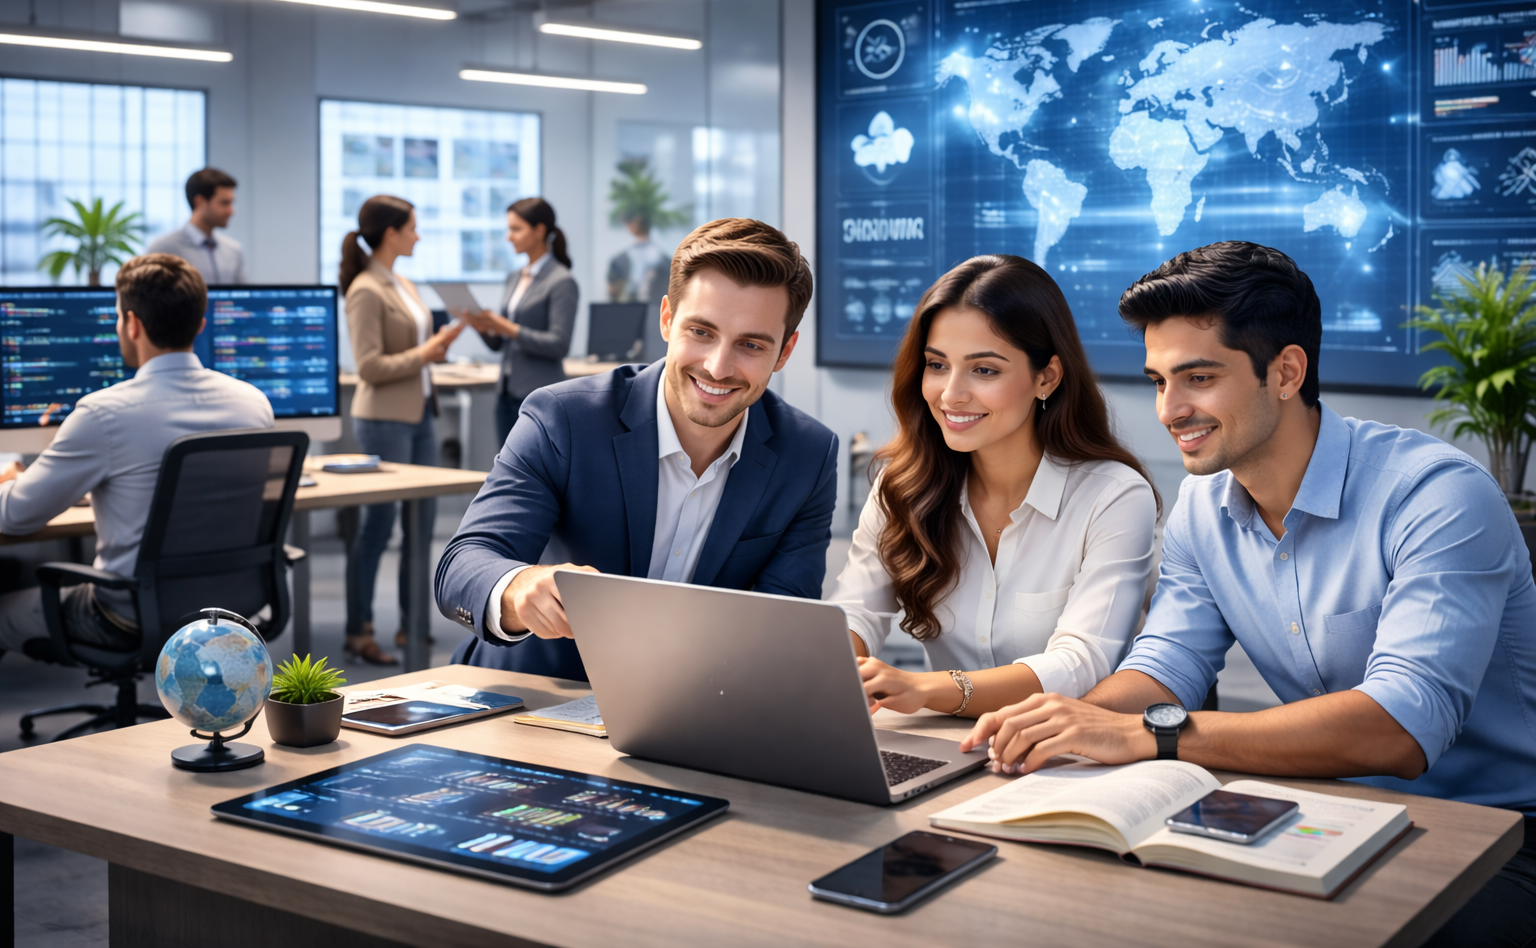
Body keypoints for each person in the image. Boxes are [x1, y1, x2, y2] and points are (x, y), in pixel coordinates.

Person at [962, 242, 1536, 948]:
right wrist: (1060, 722)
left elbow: (1400, 727)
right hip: (1328, 812)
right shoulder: (1202, 507)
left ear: (1286, 372)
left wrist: (1148, 735)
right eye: (1158, 381)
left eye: (1199, 378)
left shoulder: (1437, 497)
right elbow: (1166, 667)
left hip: (1505, 835)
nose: (1170, 410)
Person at [435, 218, 838, 681]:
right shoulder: (564, 418)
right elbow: (463, 564)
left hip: (694, 704)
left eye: (750, 344)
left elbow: (785, 621)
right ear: (667, 319)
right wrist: (518, 587)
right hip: (533, 692)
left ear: (784, 352)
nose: (717, 367)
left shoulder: (807, 455)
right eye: (701, 332)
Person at [829, 255, 1158, 718]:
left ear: (1046, 377)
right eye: (937, 365)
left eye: (984, 370)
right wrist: (842, 667)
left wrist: (927, 689)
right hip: (951, 744)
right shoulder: (903, 485)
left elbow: (1081, 662)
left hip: (1074, 748)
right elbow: (855, 611)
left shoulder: (1114, 497)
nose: (951, 394)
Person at [0, 253, 272, 656]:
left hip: (127, 617)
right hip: (233, 609)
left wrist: (12, 482)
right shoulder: (254, 404)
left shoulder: (103, 414)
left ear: (132, 323)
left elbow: (15, 516)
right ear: (200, 324)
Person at [341, 195, 465, 666]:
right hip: (383, 419)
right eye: (412, 227)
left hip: (419, 417)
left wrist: (438, 347)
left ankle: (412, 626)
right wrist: (425, 353)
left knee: (422, 527)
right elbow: (369, 366)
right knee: (378, 527)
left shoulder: (403, 283)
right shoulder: (365, 289)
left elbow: (414, 351)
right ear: (391, 232)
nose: (418, 235)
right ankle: (359, 629)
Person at [459, 198, 578, 449]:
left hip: (539, 396)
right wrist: (483, 328)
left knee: (536, 467)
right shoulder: (514, 277)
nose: (508, 236)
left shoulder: (561, 281)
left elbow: (559, 344)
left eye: (516, 229)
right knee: (506, 465)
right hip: (506, 394)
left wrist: (507, 327)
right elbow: (502, 344)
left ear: (539, 230)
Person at [146, 168, 246, 285]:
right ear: (200, 202)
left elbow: (243, 294)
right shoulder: (162, 250)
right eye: (224, 203)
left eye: (231, 203)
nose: (231, 211)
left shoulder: (233, 250)